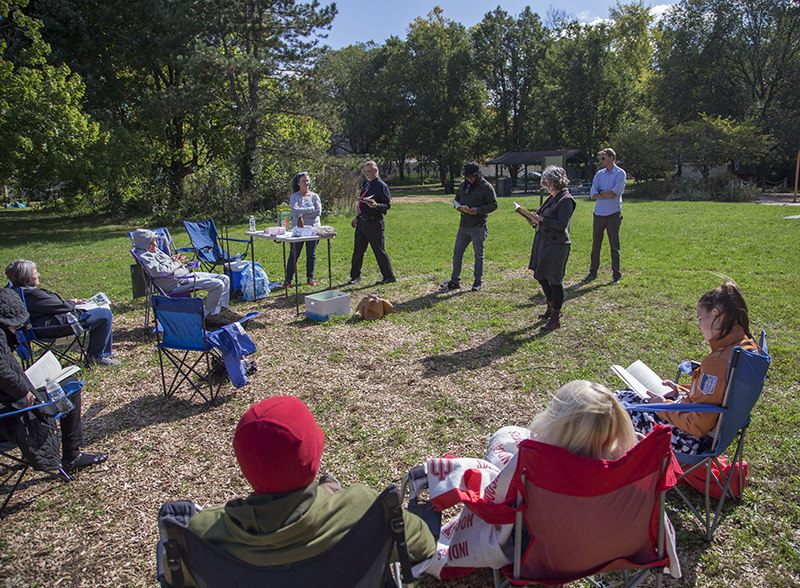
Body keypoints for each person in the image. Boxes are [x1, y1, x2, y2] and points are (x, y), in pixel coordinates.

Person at [159, 396, 435, 587]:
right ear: (313, 457)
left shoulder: (201, 534)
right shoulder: (361, 508)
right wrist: (331, 494)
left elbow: (177, 580)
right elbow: (423, 546)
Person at [424, 381, 641, 578]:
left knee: (503, 443)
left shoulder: (536, 466)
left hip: (538, 554)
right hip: (601, 552)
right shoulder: (625, 472)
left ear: (558, 423)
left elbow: (496, 500)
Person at [616, 281, 758, 454]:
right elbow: (718, 397)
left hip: (689, 441)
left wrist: (664, 406)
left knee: (617, 408)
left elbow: (697, 425)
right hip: (703, 430)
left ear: (715, 315)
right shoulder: (746, 345)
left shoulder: (718, 362)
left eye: (700, 319)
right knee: (625, 396)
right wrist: (679, 390)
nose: (698, 326)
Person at [0, 287, 107, 472]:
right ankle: (72, 455)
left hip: (8, 403)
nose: (16, 331)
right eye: (14, 326)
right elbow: (3, 372)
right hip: (9, 415)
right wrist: (24, 392)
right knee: (70, 386)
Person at [5, 259, 119, 366]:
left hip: (37, 327)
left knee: (99, 313)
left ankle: (103, 350)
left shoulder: (14, 292)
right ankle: (97, 356)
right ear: (27, 277)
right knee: (105, 314)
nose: (38, 274)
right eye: (35, 273)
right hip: (52, 328)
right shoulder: (33, 295)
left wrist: (71, 302)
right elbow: (61, 307)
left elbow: (51, 305)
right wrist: (73, 303)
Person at [131, 229, 234, 326]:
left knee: (224, 278)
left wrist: (173, 260)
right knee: (217, 284)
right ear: (143, 244)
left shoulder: (154, 250)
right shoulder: (145, 256)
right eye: (150, 242)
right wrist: (176, 264)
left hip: (184, 276)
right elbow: (159, 272)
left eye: (155, 241)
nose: (155, 244)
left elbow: (166, 263)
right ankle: (206, 317)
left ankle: (215, 312)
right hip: (176, 283)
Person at [527, 166, 576, 331]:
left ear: (557, 181)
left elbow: (562, 225)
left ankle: (556, 317)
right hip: (544, 241)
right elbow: (544, 218)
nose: (546, 185)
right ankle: (550, 307)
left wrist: (542, 220)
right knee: (540, 275)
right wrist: (534, 219)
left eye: (548, 182)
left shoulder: (566, 200)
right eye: (545, 182)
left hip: (557, 244)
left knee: (555, 281)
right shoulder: (552, 197)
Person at [445, 162, 497, 292]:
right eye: (467, 177)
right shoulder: (463, 185)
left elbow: (493, 205)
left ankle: (477, 281)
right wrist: (458, 206)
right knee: (457, 253)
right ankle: (455, 280)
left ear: (478, 174)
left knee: (478, 255)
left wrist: (478, 210)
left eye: (472, 177)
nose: (470, 179)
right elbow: (457, 199)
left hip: (478, 226)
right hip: (464, 225)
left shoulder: (486, 187)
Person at [348, 161, 396, 286]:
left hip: (374, 222)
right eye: (365, 172)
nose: (367, 174)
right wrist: (357, 217)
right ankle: (355, 276)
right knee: (358, 250)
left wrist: (376, 205)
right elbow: (363, 203)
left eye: (369, 172)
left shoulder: (381, 186)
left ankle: (389, 276)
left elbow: (387, 205)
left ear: (376, 171)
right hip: (362, 223)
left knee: (378, 250)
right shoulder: (367, 185)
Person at [583, 147, 626, 284]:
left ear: (611, 158)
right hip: (598, 214)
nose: (601, 161)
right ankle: (592, 273)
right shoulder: (599, 174)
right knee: (596, 245)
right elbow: (592, 193)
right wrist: (604, 193)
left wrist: (602, 193)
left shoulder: (620, 174)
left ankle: (616, 275)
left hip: (613, 213)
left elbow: (614, 193)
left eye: (603, 158)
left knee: (614, 246)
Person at [283, 172, 322, 288]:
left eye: (308, 180)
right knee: (294, 254)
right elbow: (294, 212)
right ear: (298, 183)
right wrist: (310, 209)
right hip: (299, 231)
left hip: (313, 230)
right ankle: (288, 280)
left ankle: (310, 278)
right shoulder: (294, 196)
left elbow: (318, 212)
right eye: (304, 181)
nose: (307, 183)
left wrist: (302, 211)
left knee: (311, 254)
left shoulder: (315, 196)